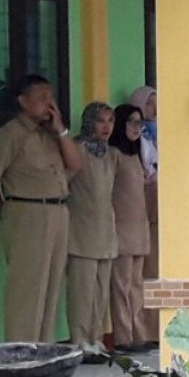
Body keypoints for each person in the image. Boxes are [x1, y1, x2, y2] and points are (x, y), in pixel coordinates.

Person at [0, 74, 82, 342]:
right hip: (27, 212)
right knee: (27, 288)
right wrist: (5, 211)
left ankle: (41, 353)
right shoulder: (11, 135)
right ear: (23, 102)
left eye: (52, 98)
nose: (50, 104)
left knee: (51, 285)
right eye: (43, 98)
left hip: (58, 212)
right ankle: (20, 352)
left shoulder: (50, 135)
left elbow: (76, 165)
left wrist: (61, 130)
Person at [66, 102, 118, 360]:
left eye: (110, 120)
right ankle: (79, 342)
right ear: (89, 122)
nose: (107, 126)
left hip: (106, 230)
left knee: (100, 292)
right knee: (81, 291)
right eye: (101, 120)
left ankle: (95, 339)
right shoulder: (77, 150)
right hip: (81, 230)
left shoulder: (110, 153)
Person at [109, 104, 152, 351]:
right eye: (131, 122)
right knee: (121, 286)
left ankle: (139, 334)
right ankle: (123, 337)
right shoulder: (113, 154)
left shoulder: (135, 154)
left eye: (140, 123)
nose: (137, 128)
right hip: (121, 229)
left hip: (139, 229)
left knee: (137, 285)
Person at [129, 86, 158, 279]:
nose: (154, 109)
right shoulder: (136, 135)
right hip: (144, 196)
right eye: (149, 104)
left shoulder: (160, 132)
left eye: (156, 104)